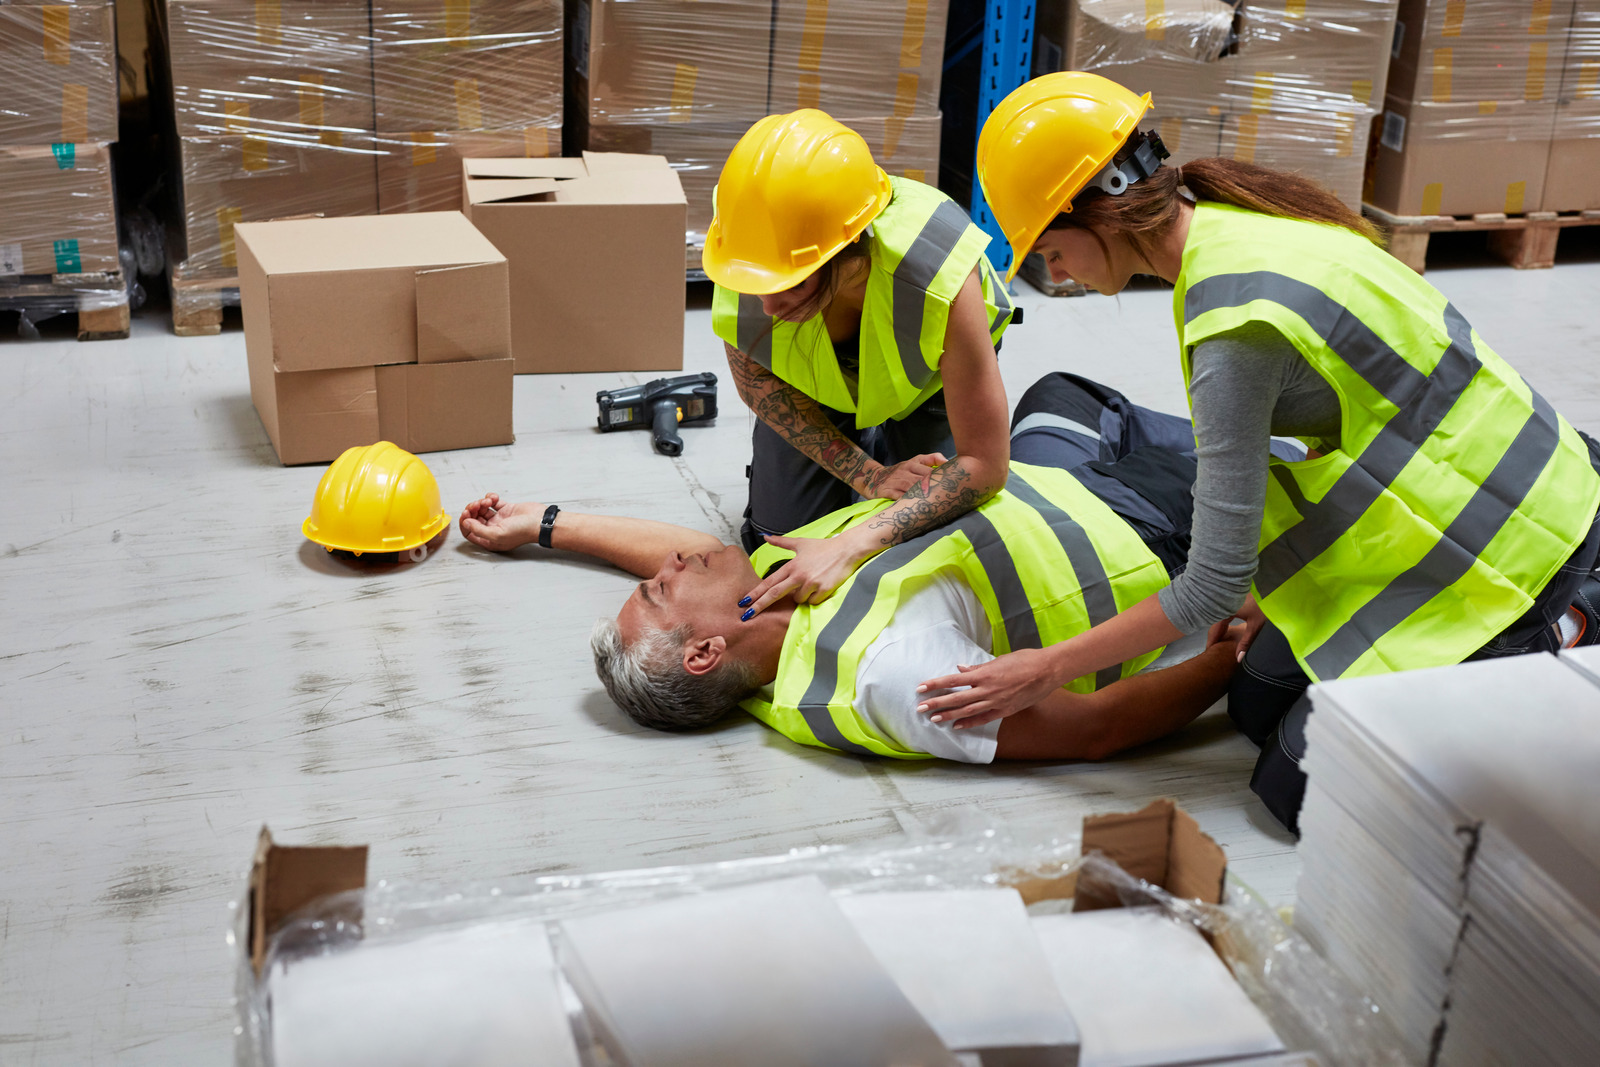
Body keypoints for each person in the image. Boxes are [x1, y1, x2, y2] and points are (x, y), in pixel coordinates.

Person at [917, 71, 1600, 829]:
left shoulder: (1235, 327)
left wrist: (1042, 669)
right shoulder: (1240, 221)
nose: (1056, 272)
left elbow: (1205, 588)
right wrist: (1262, 594)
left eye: (1051, 248)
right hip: (1468, 497)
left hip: (1516, 543)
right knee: (1254, 698)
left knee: (1298, 791)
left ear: (1103, 211)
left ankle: (1570, 622)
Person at [460, 375, 1244, 764]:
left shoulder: (769, 597)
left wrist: (549, 524)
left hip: (1044, 479)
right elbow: (1096, 728)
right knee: (1264, 453)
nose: (671, 560)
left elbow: (675, 549)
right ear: (704, 651)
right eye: (663, 586)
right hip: (1144, 526)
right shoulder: (882, 674)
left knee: (1059, 394)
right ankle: (1254, 461)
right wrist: (1228, 655)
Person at [701, 110, 1018, 616]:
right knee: (775, 543)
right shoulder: (754, 245)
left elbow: (985, 465)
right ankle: (862, 444)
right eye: (755, 284)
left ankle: (895, 434)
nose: (766, 306)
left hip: (926, 384)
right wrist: (866, 474)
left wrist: (855, 543)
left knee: (937, 536)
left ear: (852, 256)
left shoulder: (938, 273)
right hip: (813, 386)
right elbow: (757, 381)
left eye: (794, 285)